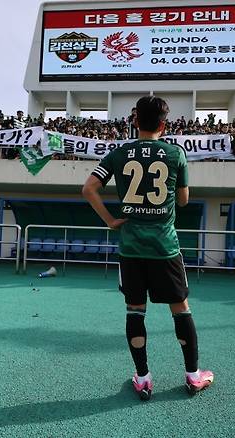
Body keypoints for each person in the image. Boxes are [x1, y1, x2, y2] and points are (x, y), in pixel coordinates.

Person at [82, 96, 213, 401]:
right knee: (180, 308)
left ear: (134, 121)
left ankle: (143, 379)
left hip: (130, 249)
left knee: (135, 310)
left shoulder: (119, 153)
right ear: (164, 124)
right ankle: (193, 376)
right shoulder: (174, 153)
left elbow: (88, 188)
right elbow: (183, 201)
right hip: (165, 248)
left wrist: (111, 221)